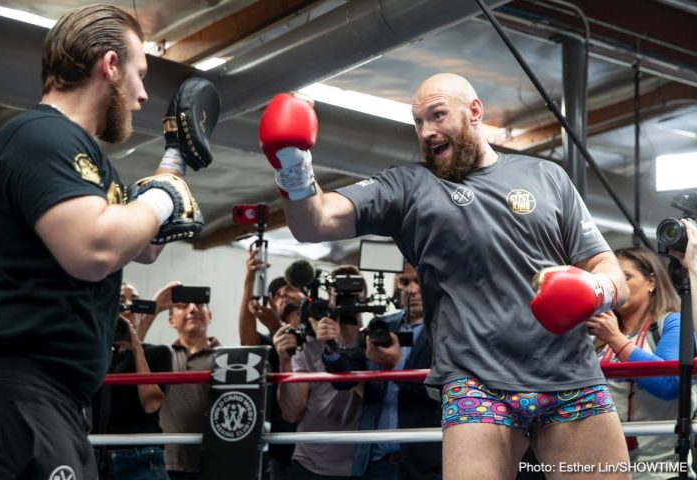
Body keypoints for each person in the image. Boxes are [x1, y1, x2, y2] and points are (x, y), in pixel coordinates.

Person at [258, 74, 632, 478]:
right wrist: (294, 165)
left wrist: (596, 288)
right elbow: (315, 222)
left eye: (437, 115)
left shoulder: (548, 177)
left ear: (474, 112)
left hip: (570, 376)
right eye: (418, 122)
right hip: (477, 384)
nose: (427, 132)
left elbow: (612, 273)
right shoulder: (408, 187)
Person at [0, 5, 203, 479]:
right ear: (110, 65)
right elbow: (94, 250)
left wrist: (175, 162)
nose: (143, 95)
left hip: (55, 398)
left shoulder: (88, 162)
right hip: (16, 392)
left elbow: (141, 245)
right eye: (140, 74)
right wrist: (163, 198)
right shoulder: (40, 136)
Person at [325, 262, 442, 479]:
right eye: (404, 282)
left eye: (418, 281)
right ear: (394, 285)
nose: (412, 289)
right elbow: (344, 381)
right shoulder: (379, 326)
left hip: (423, 464)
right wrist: (333, 345)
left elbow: (443, 392)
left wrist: (397, 365)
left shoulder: (446, 331)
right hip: (373, 462)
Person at [588, 246, 696, 478]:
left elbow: (670, 385)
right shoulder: (597, 335)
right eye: (611, 279)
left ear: (651, 282)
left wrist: (616, 340)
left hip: (661, 471)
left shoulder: (673, 322)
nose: (617, 285)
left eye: (625, 277)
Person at [274, 265, 365, 478]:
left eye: (353, 292)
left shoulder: (375, 341)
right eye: (341, 292)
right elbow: (291, 412)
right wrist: (284, 361)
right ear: (330, 297)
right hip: (309, 462)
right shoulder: (307, 342)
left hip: (361, 463)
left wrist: (337, 345)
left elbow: (370, 394)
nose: (347, 299)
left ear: (366, 298)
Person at [141, 281, 221, 480]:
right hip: (167, 464)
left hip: (215, 462)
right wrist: (156, 307)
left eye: (200, 304)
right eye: (182, 306)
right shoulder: (161, 357)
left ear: (209, 316)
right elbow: (133, 345)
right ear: (171, 322)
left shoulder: (227, 358)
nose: (193, 309)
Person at [94, 282, 173, 480]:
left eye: (135, 302)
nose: (128, 307)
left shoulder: (157, 353)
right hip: (98, 455)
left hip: (141, 455)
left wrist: (136, 347)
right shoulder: (100, 358)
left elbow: (151, 403)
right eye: (121, 302)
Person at [238, 246, 303, 480]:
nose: (283, 295)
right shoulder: (271, 338)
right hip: (282, 445)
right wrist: (249, 279)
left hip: (315, 440)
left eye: (289, 290)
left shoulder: (314, 334)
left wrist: (275, 324)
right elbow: (248, 343)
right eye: (277, 295)